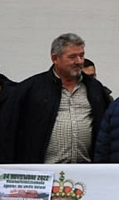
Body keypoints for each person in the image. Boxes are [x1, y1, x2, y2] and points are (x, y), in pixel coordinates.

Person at [12, 33, 111, 164]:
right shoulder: (31, 88)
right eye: (72, 57)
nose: (79, 61)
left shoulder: (94, 88)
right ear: (55, 58)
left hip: (86, 170)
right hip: (44, 173)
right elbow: (13, 130)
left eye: (81, 55)